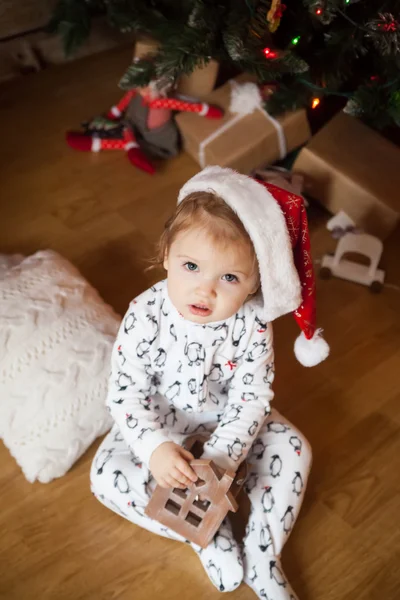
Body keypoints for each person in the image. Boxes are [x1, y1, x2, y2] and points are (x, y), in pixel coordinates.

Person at [90, 166, 329, 599]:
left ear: (255, 284)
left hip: (227, 421)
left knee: (295, 449)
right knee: (105, 475)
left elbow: (252, 396)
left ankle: (262, 553)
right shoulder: (145, 314)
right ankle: (204, 532)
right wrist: (155, 449)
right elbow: (125, 392)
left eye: (230, 278)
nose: (206, 290)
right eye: (192, 266)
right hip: (163, 418)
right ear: (166, 255)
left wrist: (222, 459)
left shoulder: (252, 321)